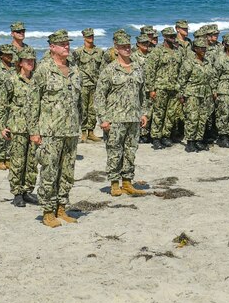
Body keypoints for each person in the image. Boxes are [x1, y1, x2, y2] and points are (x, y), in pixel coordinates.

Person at [29, 30, 82, 228]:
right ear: (52, 47)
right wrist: (34, 131)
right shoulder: (43, 69)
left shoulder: (74, 70)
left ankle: (62, 207)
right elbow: (33, 102)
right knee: (49, 172)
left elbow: (79, 103)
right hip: (50, 131)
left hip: (70, 130)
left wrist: (80, 125)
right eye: (62, 44)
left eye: (67, 43)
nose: (66, 46)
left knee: (67, 172)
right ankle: (47, 211)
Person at [94, 32, 149, 197]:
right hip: (115, 119)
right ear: (116, 48)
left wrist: (144, 113)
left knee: (131, 150)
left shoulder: (138, 68)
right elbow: (99, 97)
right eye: (123, 47)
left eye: (128, 46)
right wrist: (103, 119)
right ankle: (114, 183)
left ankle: (127, 182)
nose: (127, 49)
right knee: (114, 151)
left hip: (133, 118)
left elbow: (142, 94)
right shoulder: (109, 70)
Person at [0, 47, 38, 207]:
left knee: (32, 161)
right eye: (27, 60)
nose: (30, 63)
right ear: (20, 63)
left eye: (32, 60)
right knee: (17, 161)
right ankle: (17, 193)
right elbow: (1, 103)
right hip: (17, 126)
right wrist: (1, 126)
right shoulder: (12, 80)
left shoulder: (37, 80)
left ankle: (27, 190)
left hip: (34, 128)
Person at [178, 37, 217, 152]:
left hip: (205, 94)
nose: (203, 50)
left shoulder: (207, 62)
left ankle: (199, 140)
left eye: (205, 48)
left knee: (202, 118)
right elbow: (181, 80)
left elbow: (212, 78)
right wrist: (181, 95)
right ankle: (190, 141)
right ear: (195, 49)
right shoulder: (189, 62)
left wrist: (213, 91)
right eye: (201, 48)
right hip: (192, 94)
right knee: (192, 118)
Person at [73, 28, 103, 142]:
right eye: (88, 36)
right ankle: (84, 132)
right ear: (84, 37)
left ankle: (91, 132)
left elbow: (102, 67)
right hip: (83, 84)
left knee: (93, 109)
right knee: (83, 109)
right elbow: (74, 68)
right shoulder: (78, 52)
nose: (91, 38)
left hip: (95, 84)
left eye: (92, 36)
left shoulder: (99, 51)